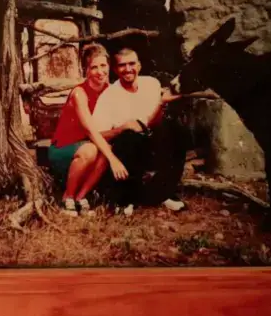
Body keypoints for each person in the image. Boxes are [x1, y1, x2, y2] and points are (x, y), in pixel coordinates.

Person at [91, 47, 188, 215]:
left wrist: (161, 104)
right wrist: (123, 128)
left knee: (177, 131)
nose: (128, 69)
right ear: (115, 69)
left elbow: (154, 123)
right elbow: (97, 134)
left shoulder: (151, 83)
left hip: (149, 140)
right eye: (122, 65)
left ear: (139, 65)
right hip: (125, 149)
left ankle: (163, 193)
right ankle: (126, 199)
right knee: (129, 136)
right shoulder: (108, 96)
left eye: (132, 64)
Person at [48, 43, 131, 216]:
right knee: (94, 149)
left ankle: (81, 196)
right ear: (86, 70)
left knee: (104, 148)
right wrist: (113, 160)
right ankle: (67, 197)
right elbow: (91, 131)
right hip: (65, 150)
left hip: (89, 148)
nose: (100, 72)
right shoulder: (79, 93)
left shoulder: (110, 92)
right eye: (94, 67)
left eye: (103, 66)